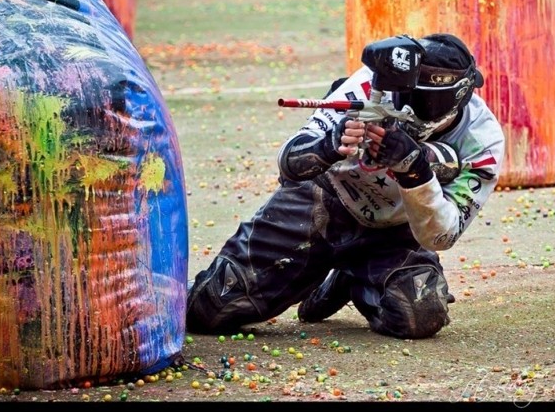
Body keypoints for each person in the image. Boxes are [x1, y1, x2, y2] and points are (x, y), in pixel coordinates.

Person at [186, 33, 505, 339]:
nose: (412, 111)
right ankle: (316, 268)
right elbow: (289, 164)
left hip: (395, 233)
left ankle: (353, 279)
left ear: (462, 96)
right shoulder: (368, 85)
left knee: (419, 311)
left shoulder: (482, 141)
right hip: (322, 200)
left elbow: (441, 235)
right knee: (211, 306)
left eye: (428, 104)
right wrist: (328, 146)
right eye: (408, 98)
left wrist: (415, 172)